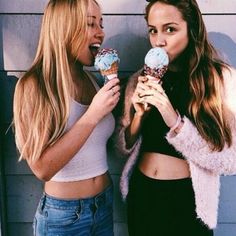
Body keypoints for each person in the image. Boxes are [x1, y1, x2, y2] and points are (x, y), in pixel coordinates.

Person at [116, 0, 236, 235]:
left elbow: (230, 161)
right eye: (153, 30)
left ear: (192, 29)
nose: (159, 40)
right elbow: (122, 148)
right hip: (143, 196)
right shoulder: (139, 81)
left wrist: (176, 123)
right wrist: (138, 117)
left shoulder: (220, 80)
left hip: (187, 202)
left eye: (170, 29)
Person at [13, 0, 120, 235]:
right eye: (90, 24)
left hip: (104, 204)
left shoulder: (94, 81)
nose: (101, 33)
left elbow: (104, 147)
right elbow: (42, 168)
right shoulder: (35, 85)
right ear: (64, 28)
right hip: (64, 219)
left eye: (101, 24)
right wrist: (92, 115)